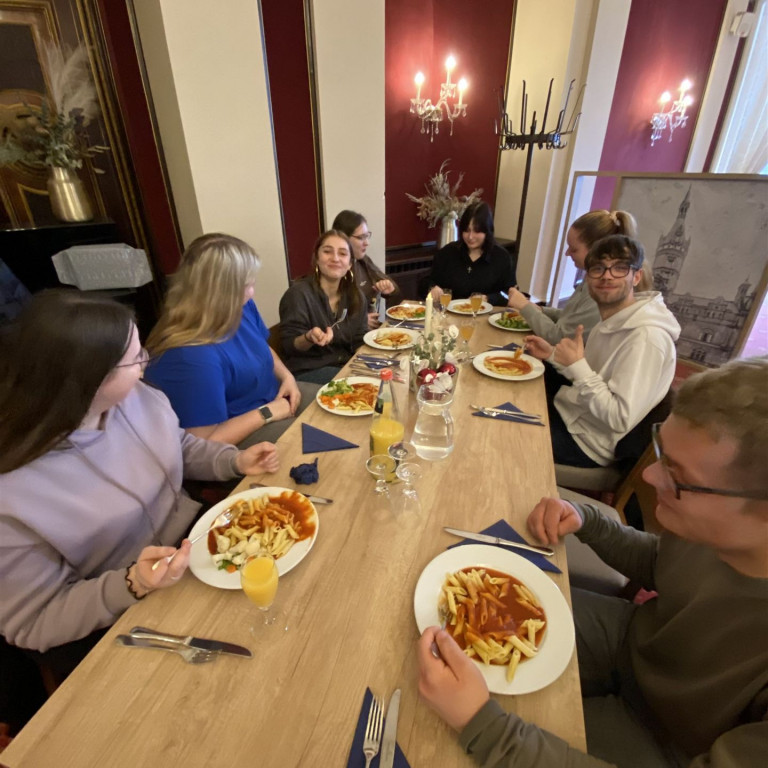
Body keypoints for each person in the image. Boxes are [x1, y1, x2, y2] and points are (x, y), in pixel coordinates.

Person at [418, 355, 768, 768]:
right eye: (660, 451)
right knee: (431, 630)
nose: (650, 477)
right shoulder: (719, 532)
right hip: (631, 641)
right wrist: (588, 520)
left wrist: (487, 728)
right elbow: (664, 564)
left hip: (667, 743)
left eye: (676, 474)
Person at [0, 290, 280, 665]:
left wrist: (234, 461)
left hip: (194, 543)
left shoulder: (134, 397)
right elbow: (33, 622)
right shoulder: (14, 493)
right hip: (125, 610)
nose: (146, 363)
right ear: (88, 379)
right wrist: (132, 583)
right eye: (135, 359)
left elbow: (177, 445)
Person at [144, 233, 317, 447]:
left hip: (275, 399)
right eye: (245, 285)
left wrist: (287, 377)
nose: (251, 293)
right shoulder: (189, 355)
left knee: (350, 408)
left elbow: (262, 347)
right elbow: (202, 445)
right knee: (321, 444)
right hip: (239, 436)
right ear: (218, 291)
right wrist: (267, 412)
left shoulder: (241, 308)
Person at [525, 235, 680, 468]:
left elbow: (619, 418)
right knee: (506, 396)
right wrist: (552, 356)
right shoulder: (612, 319)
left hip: (587, 443)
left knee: (501, 435)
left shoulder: (646, 338)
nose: (607, 275)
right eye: (598, 268)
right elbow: (591, 378)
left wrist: (576, 365)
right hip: (572, 414)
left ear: (636, 276)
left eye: (619, 268)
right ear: (588, 278)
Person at [506, 209, 638, 344]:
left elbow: (560, 338)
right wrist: (539, 309)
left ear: (597, 250)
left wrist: (524, 307)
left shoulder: (603, 289)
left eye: (574, 249)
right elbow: (569, 318)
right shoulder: (590, 278)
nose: (567, 253)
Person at [279, 230, 367, 384]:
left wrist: (370, 364)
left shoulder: (356, 296)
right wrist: (308, 337)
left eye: (342, 253)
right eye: (327, 252)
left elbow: (360, 338)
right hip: (308, 371)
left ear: (350, 264)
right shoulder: (298, 294)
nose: (335, 258)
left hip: (344, 366)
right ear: (317, 259)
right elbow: (289, 345)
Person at [428, 202, 516, 307]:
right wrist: (432, 287)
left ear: (487, 231)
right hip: (450, 316)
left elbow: (509, 294)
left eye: (477, 231)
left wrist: (488, 298)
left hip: (486, 317)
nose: (470, 237)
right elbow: (427, 281)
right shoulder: (448, 252)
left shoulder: (501, 257)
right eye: (467, 230)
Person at [331, 210, 403, 328]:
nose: (367, 243)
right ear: (343, 238)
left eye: (367, 236)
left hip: (370, 334)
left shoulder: (363, 261)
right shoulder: (333, 271)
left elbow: (395, 293)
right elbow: (328, 319)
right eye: (361, 238)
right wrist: (359, 321)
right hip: (349, 341)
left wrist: (390, 289)